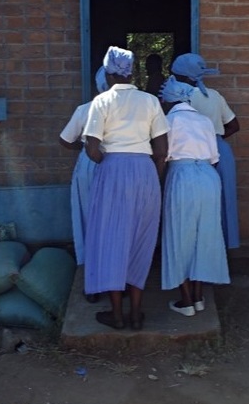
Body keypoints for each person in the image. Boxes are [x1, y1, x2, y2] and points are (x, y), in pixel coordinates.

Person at [83, 47, 169, 330]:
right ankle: (136, 313)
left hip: (113, 171)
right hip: (144, 172)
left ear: (107, 74)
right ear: (133, 72)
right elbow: (162, 150)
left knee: (111, 239)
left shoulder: (102, 102)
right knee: (140, 241)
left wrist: (110, 160)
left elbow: (92, 150)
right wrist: (152, 179)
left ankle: (117, 315)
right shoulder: (150, 102)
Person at [158, 76, 230, 317]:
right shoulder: (204, 121)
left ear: (169, 100)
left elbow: (163, 155)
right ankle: (198, 296)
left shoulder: (168, 121)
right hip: (209, 177)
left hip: (182, 176)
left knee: (180, 235)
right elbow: (214, 157)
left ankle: (186, 300)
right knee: (204, 234)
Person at [171, 53, 241, 249]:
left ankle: (200, 252)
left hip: (195, 156)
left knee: (197, 207)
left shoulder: (181, 98)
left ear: (183, 77)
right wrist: (214, 137)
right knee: (224, 201)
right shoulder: (215, 95)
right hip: (221, 151)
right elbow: (234, 125)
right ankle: (224, 250)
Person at [58, 67, 110, 285]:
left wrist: (84, 146)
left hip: (89, 165)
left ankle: (93, 280)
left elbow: (64, 140)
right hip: (118, 165)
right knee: (114, 221)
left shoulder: (85, 109)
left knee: (89, 220)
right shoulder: (129, 109)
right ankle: (116, 278)